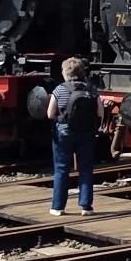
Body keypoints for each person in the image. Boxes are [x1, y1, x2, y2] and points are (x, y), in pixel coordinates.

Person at [45, 56, 100, 216]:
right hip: (86, 133)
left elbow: (50, 114)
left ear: (65, 72)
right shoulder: (91, 90)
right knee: (86, 169)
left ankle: (58, 207)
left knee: (61, 169)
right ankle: (86, 207)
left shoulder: (60, 89)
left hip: (64, 132)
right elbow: (100, 112)